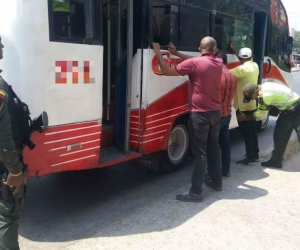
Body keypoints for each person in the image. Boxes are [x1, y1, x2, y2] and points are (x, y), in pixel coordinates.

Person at [152, 37, 223, 203]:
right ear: (215, 49)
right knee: (213, 148)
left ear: (199, 48)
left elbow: (167, 71)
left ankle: (196, 191)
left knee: (199, 153)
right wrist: (176, 53)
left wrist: (158, 53)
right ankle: (216, 181)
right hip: (215, 113)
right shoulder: (218, 62)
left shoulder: (196, 64)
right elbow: (197, 61)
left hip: (200, 115)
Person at [0, 36, 27, 250]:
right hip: (3, 165)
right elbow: (2, 134)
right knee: (8, 215)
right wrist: (15, 170)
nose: (2, 47)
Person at [238, 82, 300, 169]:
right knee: (279, 136)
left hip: (297, 110)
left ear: (256, 91)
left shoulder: (264, 97)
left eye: (251, 97)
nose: (252, 99)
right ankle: (276, 161)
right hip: (286, 112)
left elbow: (259, 114)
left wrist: (245, 117)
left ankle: (276, 161)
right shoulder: (264, 86)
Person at [230, 42, 259, 166]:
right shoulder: (255, 66)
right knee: (252, 131)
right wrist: (236, 52)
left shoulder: (241, 69)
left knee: (246, 133)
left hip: (242, 106)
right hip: (251, 104)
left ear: (242, 58)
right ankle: (255, 154)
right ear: (251, 57)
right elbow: (244, 63)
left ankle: (250, 157)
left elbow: (226, 73)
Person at [214, 52, 237, 177]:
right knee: (226, 143)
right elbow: (232, 96)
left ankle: (213, 172)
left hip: (215, 115)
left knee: (213, 145)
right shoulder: (232, 76)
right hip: (227, 113)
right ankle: (226, 170)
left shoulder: (215, 76)